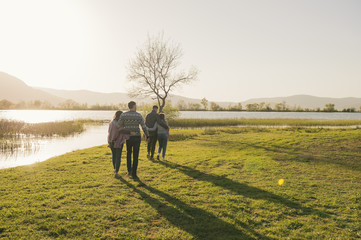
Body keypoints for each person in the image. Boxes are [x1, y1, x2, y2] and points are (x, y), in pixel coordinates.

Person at [116, 101, 149, 180]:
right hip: (137, 137)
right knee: (135, 155)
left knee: (128, 154)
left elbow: (118, 126)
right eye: (136, 105)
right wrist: (147, 135)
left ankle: (129, 171)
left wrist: (126, 129)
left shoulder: (124, 115)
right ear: (134, 106)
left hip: (128, 137)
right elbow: (143, 126)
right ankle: (134, 174)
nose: (136, 107)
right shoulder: (138, 115)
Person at [107, 111, 131, 179]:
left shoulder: (111, 122)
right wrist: (130, 132)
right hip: (118, 142)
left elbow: (109, 132)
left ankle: (115, 169)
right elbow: (122, 131)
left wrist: (109, 141)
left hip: (111, 141)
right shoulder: (120, 124)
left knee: (114, 156)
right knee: (118, 157)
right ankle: (116, 172)